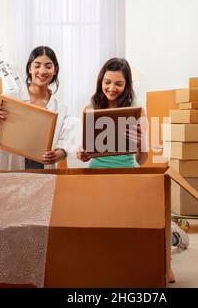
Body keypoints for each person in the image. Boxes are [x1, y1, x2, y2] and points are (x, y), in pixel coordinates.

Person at [76, 58, 188, 250]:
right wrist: (82, 154)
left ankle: (174, 233)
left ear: (127, 85)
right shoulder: (90, 110)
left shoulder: (136, 112)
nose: (112, 88)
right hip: (97, 173)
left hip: (128, 171)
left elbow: (142, 160)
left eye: (118, 83)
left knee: (138, 221)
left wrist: (138, 143)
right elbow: (86, 152)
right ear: (100, 82)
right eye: (107, 82)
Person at [0, 46, 71, 170]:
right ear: (29, 69)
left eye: (48, 66)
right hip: (10, 175)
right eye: (37, 65)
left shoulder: (61, 109)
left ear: (55, 70)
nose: (42, 71)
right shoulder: (8, 99)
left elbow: (64, 146)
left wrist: (57, 155)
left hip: (44, 177)